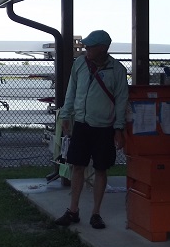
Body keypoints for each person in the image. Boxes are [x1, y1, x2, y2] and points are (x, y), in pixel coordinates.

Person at [54, 30, 129, 230]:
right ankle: (73, 210)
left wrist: (118, 128)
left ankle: (96, 213)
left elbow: (121, 101)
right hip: (81, 124)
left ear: (103, 48)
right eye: (86, 46)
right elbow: (71, 91)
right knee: (77, 166)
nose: (86, 49)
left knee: (100, 169)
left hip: (104, 127)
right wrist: (65, 115)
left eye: (90, 46)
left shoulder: (117, 70)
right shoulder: (79, 64)